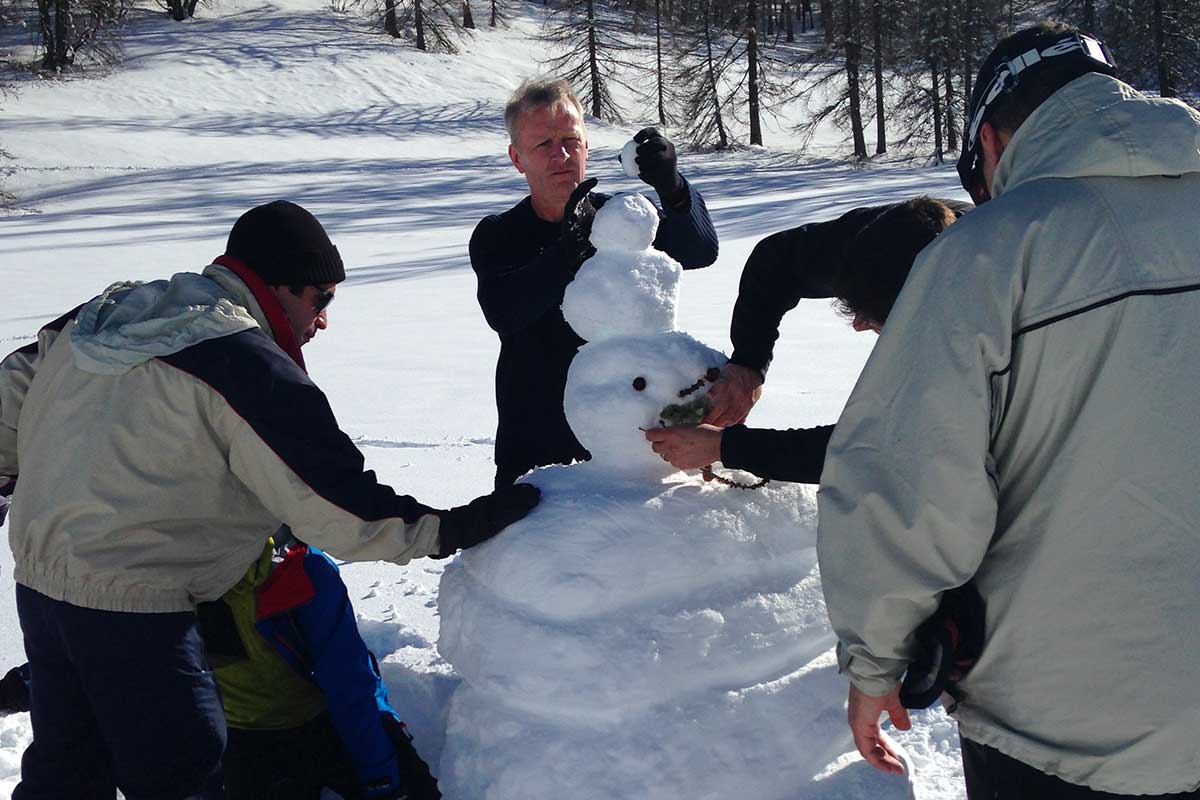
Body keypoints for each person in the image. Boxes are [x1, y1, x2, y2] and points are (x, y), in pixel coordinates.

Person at [0, 200, 539, 800]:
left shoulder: (105, 315)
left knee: (67, 768)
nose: (323, 320)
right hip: (140, 609)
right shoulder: (242, 363)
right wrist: (452, 528)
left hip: (44, 589)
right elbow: (340, 510)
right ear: (278, 286)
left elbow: (14, 385)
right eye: (321, 297)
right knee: (184, 771)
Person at [817, 22, 1200, 799]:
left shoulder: (989, 255)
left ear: (992, 140)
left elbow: (908, 486)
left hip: (1058, 731)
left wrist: (876, 662)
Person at [470, 78, 719, 488]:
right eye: (544, 145)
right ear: (518, 159)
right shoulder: (499, 234)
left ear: (587, 144)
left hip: (631, 441)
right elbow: (505, 313)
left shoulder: (617, 220)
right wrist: (571, 247)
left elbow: (699, 250)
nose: (562, 155)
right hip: (537, 444)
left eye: (571, 140)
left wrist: (672, 187)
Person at [645, 196, 969, 480]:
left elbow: (882, 446)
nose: (857, 325)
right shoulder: (892, 236)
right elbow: (777, 259)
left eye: (874, 316)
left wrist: (725, 448)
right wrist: (749, 362)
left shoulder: (980, 330)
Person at [201, 529, 440, 800]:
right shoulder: (300, 567)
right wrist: (382, 778)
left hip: (234, 741)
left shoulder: (161, 572)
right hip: (312, 725)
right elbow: (348, 682)